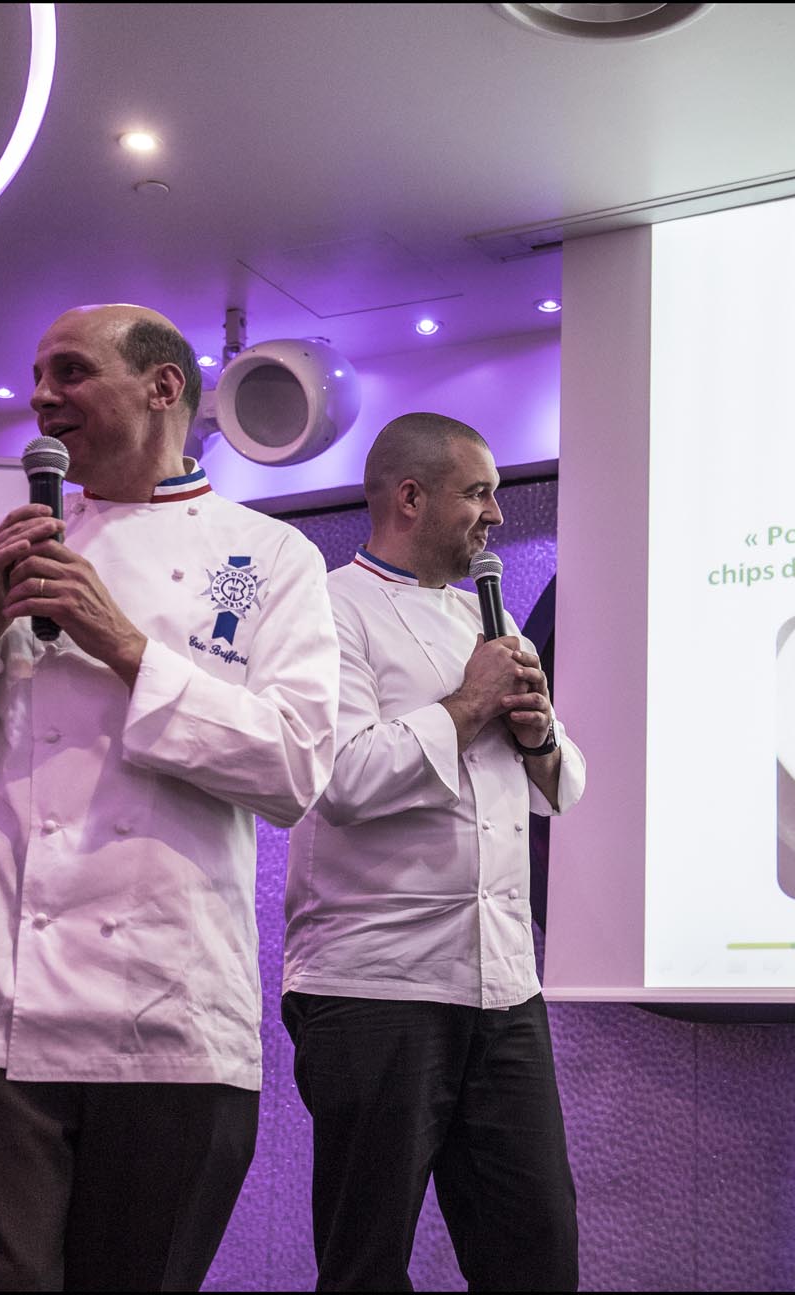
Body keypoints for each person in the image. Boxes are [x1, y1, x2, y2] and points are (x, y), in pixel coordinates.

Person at [0, 304, 339, 1291]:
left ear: (163, 386)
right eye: (37, 374)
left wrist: (123, 644)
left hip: (168, 1012)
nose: (41, 397)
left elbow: (295, 770)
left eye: (70, 371)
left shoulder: (274, 558)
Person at [282, 412, 586, 1291]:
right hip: (375, 986)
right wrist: (466, 705)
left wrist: (535, 734)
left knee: (539, 1253)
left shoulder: (488, 629)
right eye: (479, 492)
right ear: (411, 496)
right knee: (365, 1261)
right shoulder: (325, 610)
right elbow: (338, 778)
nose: (495, 514)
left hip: (503, 986)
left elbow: (564, 792)